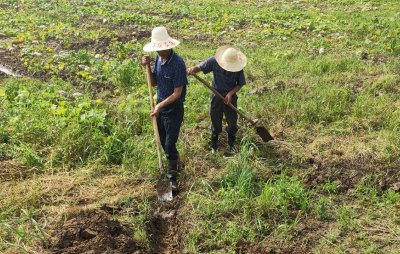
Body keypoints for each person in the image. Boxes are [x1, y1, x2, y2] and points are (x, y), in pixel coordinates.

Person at [142, 26, 188, 193]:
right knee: (163, 141)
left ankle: (172, 177)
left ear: (169, 45)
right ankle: (174, 162)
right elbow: (154, 83)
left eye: (161, 48)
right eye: (157, 49)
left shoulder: (178, 63)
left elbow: (177, 93)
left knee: (169, 143)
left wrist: (160, 105)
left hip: (173, 108)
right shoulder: (159, 59)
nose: (159, 51)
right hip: (161, 105)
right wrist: (147, 67)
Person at [187, 45, 247, 153]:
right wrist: (192, 69)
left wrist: (230, 93)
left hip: (230, 97)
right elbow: (200, 67)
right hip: (216, 95)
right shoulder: (214, 61)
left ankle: (231, 142)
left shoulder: (238, 67)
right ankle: (214, 144)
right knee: (215, 121)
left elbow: (240, 84)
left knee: (232, 123)